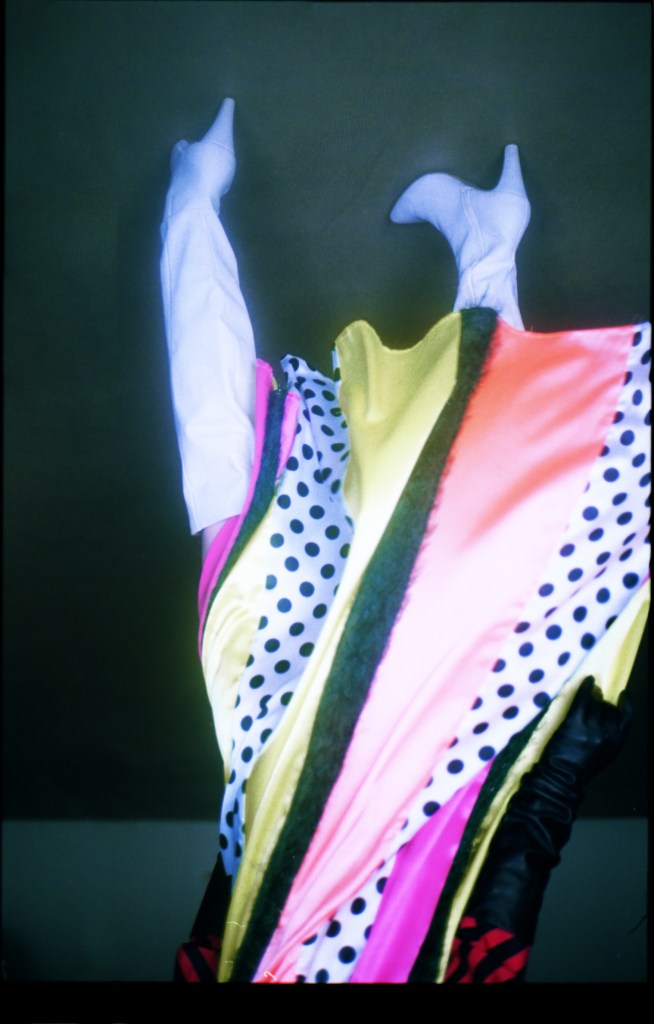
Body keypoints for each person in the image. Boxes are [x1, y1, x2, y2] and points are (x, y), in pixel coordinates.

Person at [161, 99, 650, 983]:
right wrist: (563, 764)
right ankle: (484, 246)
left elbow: (208, 945)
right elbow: (495, 912)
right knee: (462, 540)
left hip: (288, 782)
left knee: (240, 495)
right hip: (397, 783)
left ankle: (194, 199)